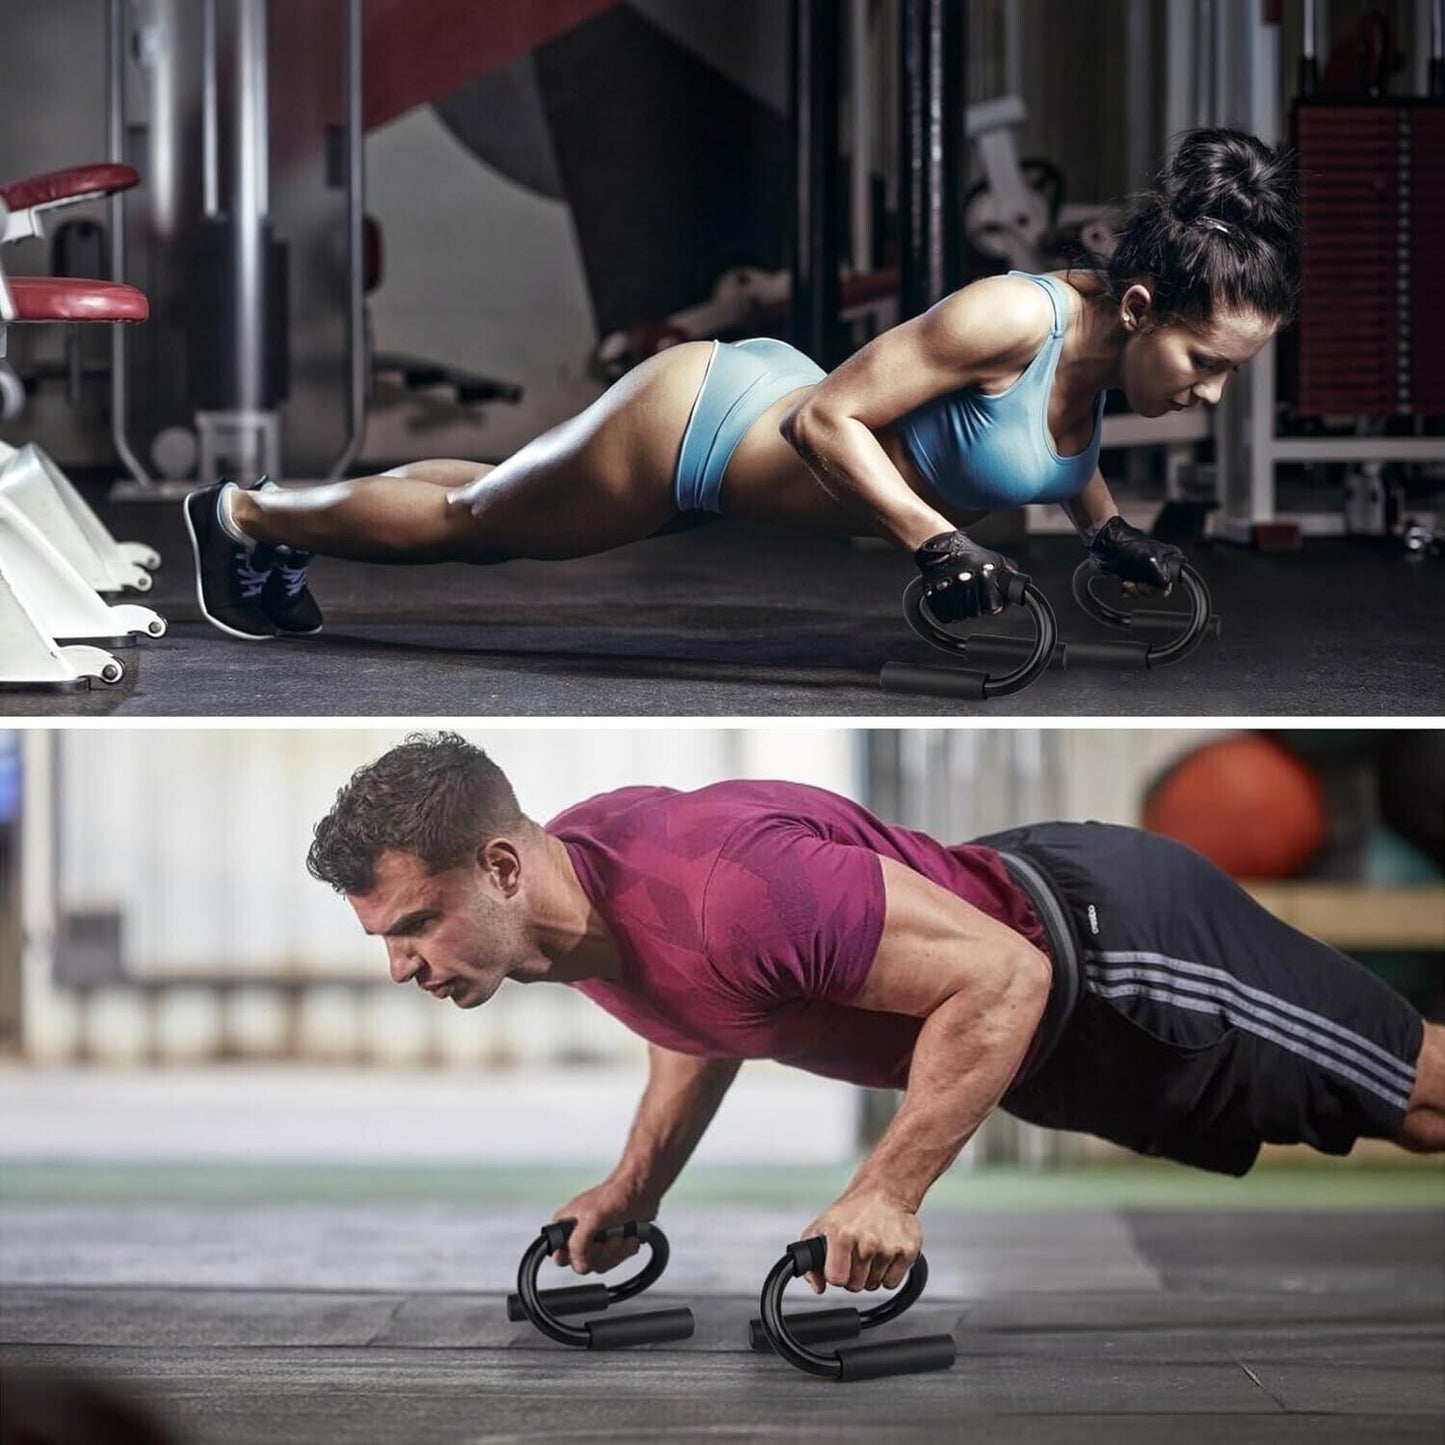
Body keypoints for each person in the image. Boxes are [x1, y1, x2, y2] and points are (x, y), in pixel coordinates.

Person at [305, 733, 1443, 1295]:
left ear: (501, 864)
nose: (402, 965)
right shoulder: (572, 894)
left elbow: (1000, 977)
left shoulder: (727, 890)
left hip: (1118, 956)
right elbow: (694, 1004)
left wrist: (887, 1186)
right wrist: (635, 1184)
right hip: (1042, 1032)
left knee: (1423, 1098)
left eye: (414, 924)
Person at [186, 127, 1299, 641]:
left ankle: (279, 515)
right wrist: (936, 543)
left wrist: (1100, 526)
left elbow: (1046, 438)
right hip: (702, 434)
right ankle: (240, 512)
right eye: (1206, 366)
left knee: (498, 486)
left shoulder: (1096, 353)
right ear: (1144, 306)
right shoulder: (1011, 313)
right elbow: (826, 421)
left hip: (730, 430)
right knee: (475, 521)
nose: (1207, 393)